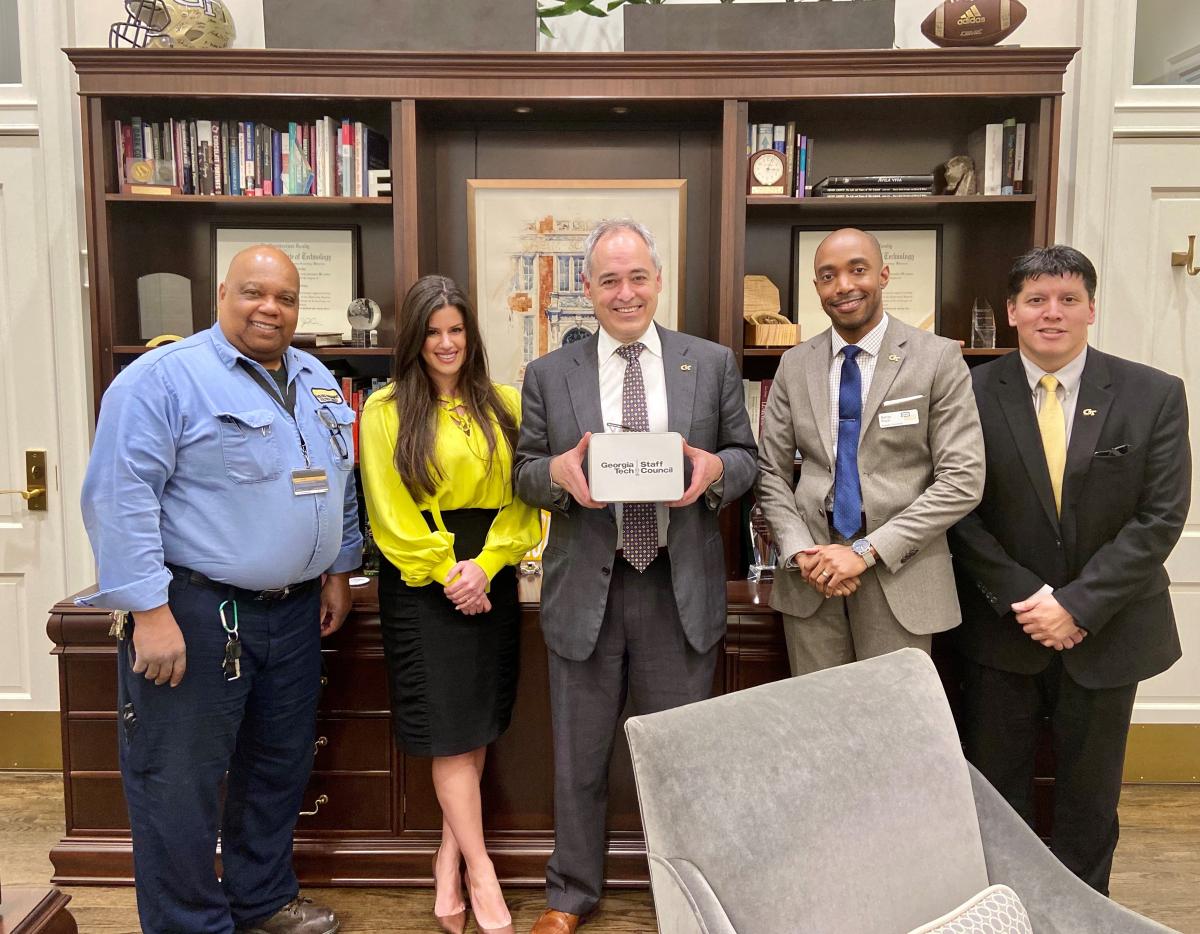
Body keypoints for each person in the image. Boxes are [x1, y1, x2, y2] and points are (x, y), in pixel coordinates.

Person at [78, 245, 362, 934]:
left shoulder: (318, 377)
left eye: (286, 298)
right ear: (220, 296)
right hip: (196, 612)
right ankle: (188, 923)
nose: (270, 308)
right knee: (179, 783)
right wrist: (149, 610)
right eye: (253, 293)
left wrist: (338, 568)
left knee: (277, 768)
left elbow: (339, 479)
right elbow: (119, 499)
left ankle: (261, 898)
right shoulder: (162, 380)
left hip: (295, 614)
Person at [513, 219, 758, 933]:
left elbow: (746, 457)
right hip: (587, 587)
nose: (626, 293)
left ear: (658, 280)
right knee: (579, 760)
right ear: (587, 289)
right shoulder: (548, 375)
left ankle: (683, 900)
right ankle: (569, 895)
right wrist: (555, 475)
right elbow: (525, 470)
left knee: (680, 766)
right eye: (609, 280)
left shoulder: (708, 364)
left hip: (678, 591)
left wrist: (715, 470)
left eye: (637, 276)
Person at [949, 245, 1190, 894]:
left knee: (1089, 800)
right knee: (998, 795)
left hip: (1108, 632)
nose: (1051, 313)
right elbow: (957, 511)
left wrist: (1077, 606)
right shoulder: (966, 393)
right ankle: (1009, 908)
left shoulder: (1154, 394)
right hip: (1004, 631)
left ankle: (1082, 913)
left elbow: (1160, 517)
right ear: (1011, 312)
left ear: (1091, 309)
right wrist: (1028, 598)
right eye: (1036, 300)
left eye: (1067, 300)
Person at [359, 275, 541, 934]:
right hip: (421, 581)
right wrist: (446, 571)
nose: (446, 343)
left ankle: (448, 857)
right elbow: (389, 511)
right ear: (414, 339)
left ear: (471, 334)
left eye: (456, 330)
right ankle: (482, 872)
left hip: (489, 570)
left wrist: (487, 566)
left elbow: (523, 498)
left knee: (475, 723)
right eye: (432, 332)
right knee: (449, 732)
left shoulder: (505, 403)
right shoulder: (383, 410)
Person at [756, 227, 984, 675]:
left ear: (883, 275)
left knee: (893, 727)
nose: (843, 286)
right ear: (817, 287)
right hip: (812, 579)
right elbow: (771, 473)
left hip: (900, 573)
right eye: (827, 276)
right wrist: (801, 551)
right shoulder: (794, 363)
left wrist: (864, 551)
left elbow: (963, 480)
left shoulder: (936, 358)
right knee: (820, 725)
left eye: (857, 270)